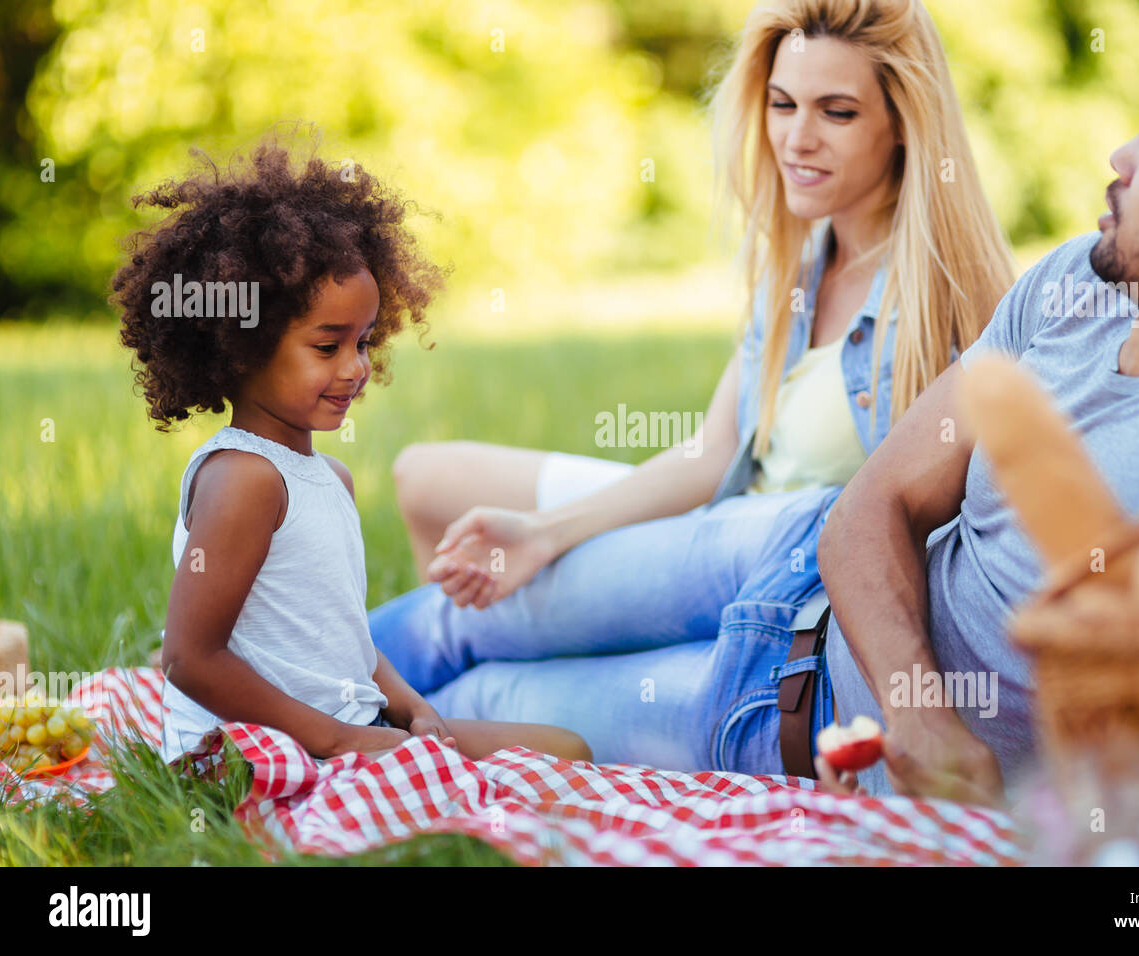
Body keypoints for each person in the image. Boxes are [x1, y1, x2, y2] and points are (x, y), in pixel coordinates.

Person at [431, 22, 1139, 799]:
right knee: (465, 611)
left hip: (782, 719)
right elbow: (874, 503)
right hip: (792, 555)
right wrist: (919, 712)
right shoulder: (1076, 280)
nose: (1115, 157)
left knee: (470, 705)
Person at [368, 0, 1016, 742]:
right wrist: (547, 533)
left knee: (488, 686)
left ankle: (285, 714)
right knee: (444, 529)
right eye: (782, 104)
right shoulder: (799, 270)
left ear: (903, 123)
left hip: (792, 608)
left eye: (836, 112)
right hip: (717, 547)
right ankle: (270, 693)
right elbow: (712, 456)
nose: (797, 139)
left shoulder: (950, 302)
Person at [113, 140, 591, 765]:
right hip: (249, 754)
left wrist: (409, 704)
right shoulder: (243, 479)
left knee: (565, 749)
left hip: (346, 725)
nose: (355, 368)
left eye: (363, 341)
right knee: (547, 767)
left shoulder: (328, 478)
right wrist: (339, 739)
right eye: (326, 346)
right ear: (240, 348)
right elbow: (188, 658)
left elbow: (343, 639)